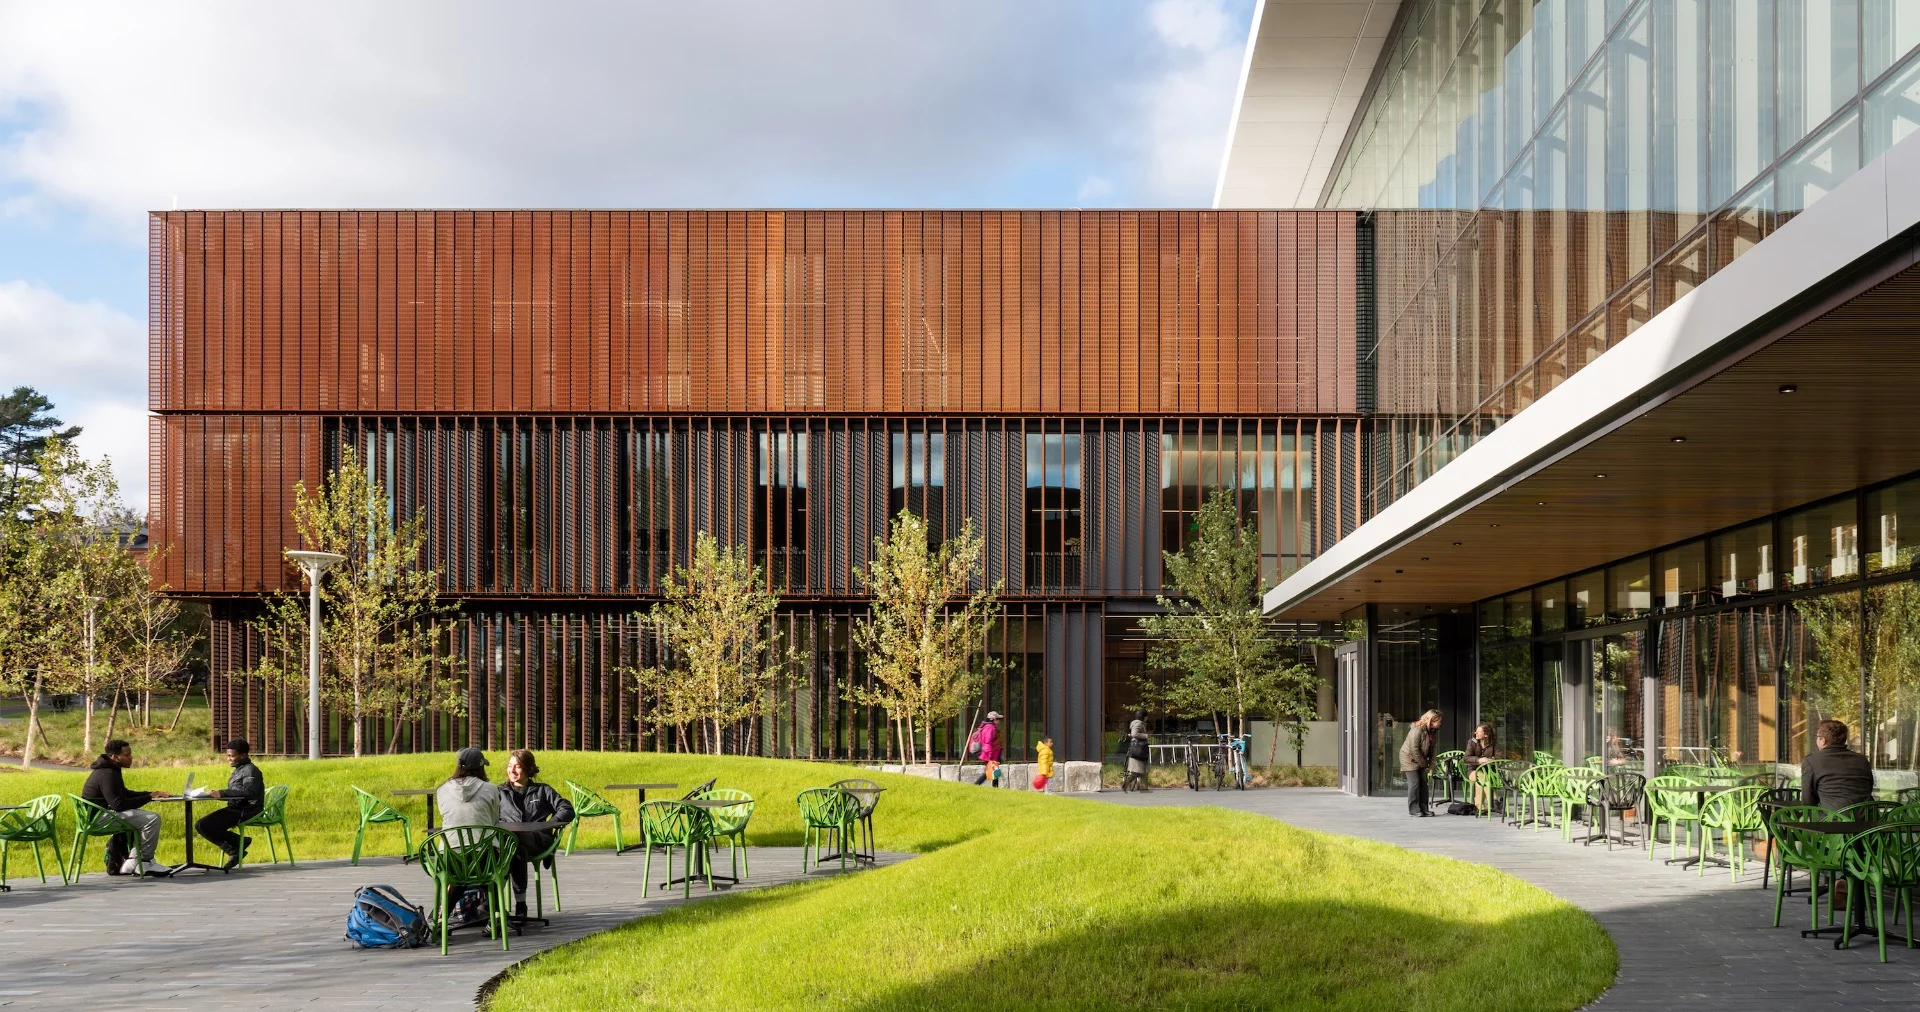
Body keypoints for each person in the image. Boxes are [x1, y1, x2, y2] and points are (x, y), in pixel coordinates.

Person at [81, 739, 175, 877]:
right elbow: (119, 805)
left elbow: (124, 794)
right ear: (114, 757)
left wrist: (151, 794)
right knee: (152, 819)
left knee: (142, 818)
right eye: (127, 755)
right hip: (98, 820)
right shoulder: (107, 773)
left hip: (98, 816)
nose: (131, 758)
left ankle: (132, 862)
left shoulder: (109, 769)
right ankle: (145, 862)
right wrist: (149, 797)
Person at [498, 749, 574, 920]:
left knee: (514, 842)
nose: (512, 770)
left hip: (538, 840)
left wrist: (549, 825)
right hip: (509, 845)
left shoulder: (543, 790)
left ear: (529, 769)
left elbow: (567, 809)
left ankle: (493, 904)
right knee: (516, 848)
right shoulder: (499, 792)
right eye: (510, 766)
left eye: (517, 766)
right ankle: (519, 904)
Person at [195, 738, 265, 870]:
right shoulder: (239, 769)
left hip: (248, 810)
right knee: (201, 825)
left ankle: (235, 850)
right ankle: (239, 842)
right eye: (227, 755)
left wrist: (223, 793)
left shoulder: (251, 771)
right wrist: (217, 794)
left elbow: (250, 793)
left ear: (243, 755)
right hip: (236, 808)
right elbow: (237, 792)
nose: (228, 759)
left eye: (231, 756)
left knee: (202, 825)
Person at [1801, 719, 1875, 812]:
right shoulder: (1862, 759)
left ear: (1823, 740)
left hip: (1833, 818)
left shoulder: (1811, 761)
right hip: (1868, 817)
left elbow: (1808, 798)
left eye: (1817, 737)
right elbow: (1869, 788)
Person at [1400, 709, 1441, 817]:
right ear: (1431, 720)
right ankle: (1414, 810)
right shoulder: (1417, 730)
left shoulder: (1432, 731)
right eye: (1438, 721)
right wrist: (1424, 764)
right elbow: (1414, 750)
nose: (1440, 723)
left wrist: (1431, 765)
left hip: (1420, 759)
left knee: (1424, 783)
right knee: (1415, 783)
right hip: (1408, 758)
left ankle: (1424, 809)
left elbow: (1433, 749)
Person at [1464, 723, 1497, 811]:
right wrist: (1479, 760)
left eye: (1478, 731)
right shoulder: (1472, 742)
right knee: (1481, 776)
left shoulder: (1493, 744)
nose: (1476, 733)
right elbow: (1466, 758)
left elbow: (1499, 757)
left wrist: (1490, 760)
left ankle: (1480, 807)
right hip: (1472, 771)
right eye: (1476, 731)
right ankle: (1494, 800)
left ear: (1486, 734)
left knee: (1480, 782)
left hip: (1489, 772)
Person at [969, 711, 1002, 786]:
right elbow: (987, 742)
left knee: (995, 770)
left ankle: (995, 788)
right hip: (990, 754)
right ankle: (976, 784)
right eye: (997, 719)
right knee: (989, 772)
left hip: (992, 753)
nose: (999, 721)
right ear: (993, 719)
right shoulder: (990, 728)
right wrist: (990, 754)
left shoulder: (990, 727)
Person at [1124, 709, 1151, 792]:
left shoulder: (1136, 723)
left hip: (1137, 748)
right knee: (1139, 769)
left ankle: (1136, 784)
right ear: (1145, 717)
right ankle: (1130, 783)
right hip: (1139, 748)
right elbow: (1134, 734)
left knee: (1137, 769)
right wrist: (1145, 736)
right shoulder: (1138, 724)